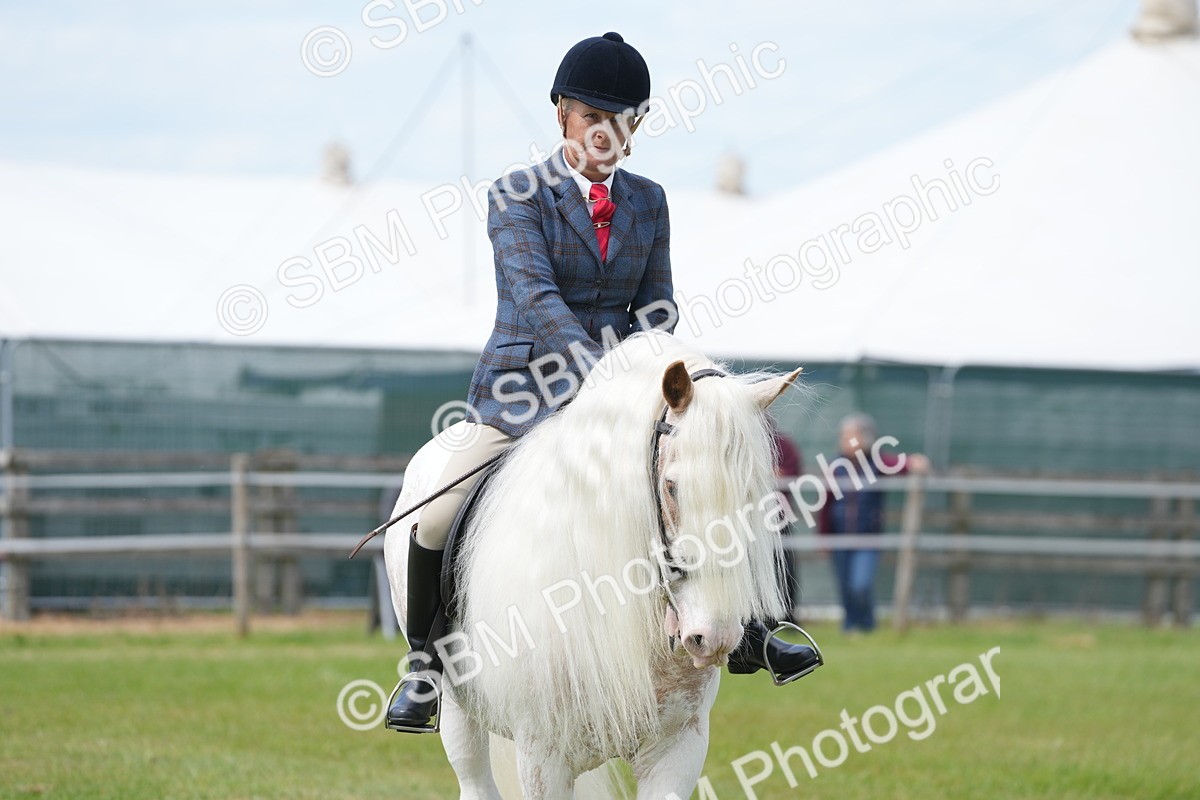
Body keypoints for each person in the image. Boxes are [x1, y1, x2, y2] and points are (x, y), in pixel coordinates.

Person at [386, 32, 820, 734]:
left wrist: (660, 369)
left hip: (625, 400)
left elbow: (658, 307)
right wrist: (605, 372)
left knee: (718, 477)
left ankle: (766, 628)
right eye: (594, 119)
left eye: (623, 123)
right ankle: (424, 668)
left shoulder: (649, 202)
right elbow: (534, 298)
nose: (607, 134)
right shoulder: (516, 196)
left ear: (637, 129)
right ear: (562, 115)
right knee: (438, 510)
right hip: (523, 395)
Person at [820, 413, 930, 633]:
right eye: (844, 436)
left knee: (860, 585)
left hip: (868, 538)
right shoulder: (835, 466)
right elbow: (825, 504)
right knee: (845, 587)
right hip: (839, 537)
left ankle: (868, 625)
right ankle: (850, 627)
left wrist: (914, 462)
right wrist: (824, 537)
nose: (847, 441)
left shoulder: (876, 463)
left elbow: (900, 464)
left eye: (853, 436)